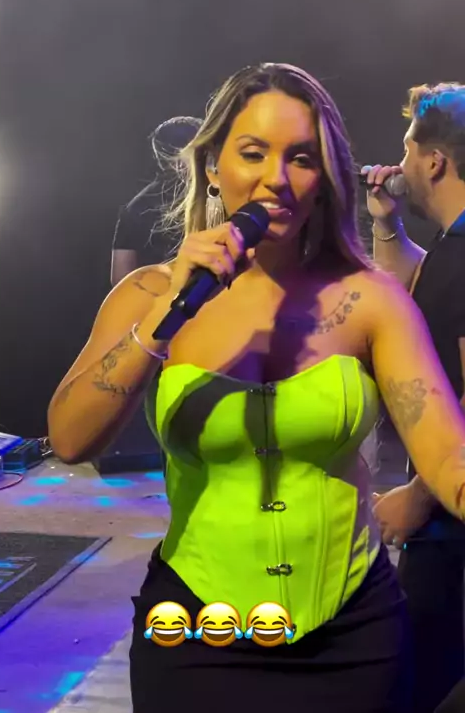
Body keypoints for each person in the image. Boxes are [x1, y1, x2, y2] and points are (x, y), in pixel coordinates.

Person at [48, 64, 465, 712]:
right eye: (252, 153)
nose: (276, 177)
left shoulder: (371, 301)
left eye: (301, 157)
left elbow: (448, 458)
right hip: (194, 636)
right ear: (213, 166)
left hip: (354, 641)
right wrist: (164, 318)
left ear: (324, 178)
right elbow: (71, 438)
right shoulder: (147, 294)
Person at [364, 82, 465, 713]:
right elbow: (418, 293)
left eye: (406, 149)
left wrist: (419, 497)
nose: (397, 163)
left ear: (433, 161)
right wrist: (387, 224)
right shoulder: (453, 248)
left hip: (451, 529)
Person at [111, 117, 201, 287]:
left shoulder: (134, 208)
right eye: (201, 149)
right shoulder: (138, 210)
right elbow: (121, 280)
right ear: (177, 161)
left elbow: (119, 280)